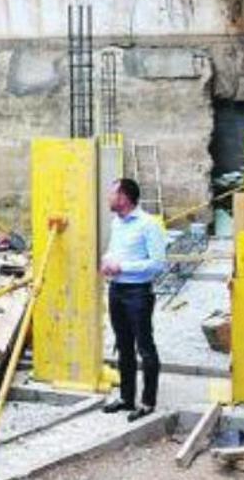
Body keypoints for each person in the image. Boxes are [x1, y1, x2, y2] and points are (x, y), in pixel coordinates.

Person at [101, 178, 166, 422]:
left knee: (145, 347)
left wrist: (122, 266)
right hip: (116, 290)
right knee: (123, 345)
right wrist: (107, 261)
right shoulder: (117, 223)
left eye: (112, 193)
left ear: (124, 197)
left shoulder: (148, 225)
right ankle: (126, 398)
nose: (109, 198)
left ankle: (148, 402)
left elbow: (158, 264)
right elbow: (114, 251)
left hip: (138, 293)